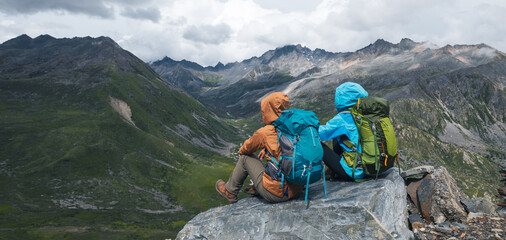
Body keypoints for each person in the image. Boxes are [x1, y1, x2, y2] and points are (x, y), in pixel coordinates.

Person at [216, 92, 304, 203]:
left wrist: (263, 144)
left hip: (278, 194)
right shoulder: (296, 126)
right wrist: (267, 148)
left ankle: (230, 191)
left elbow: (245, 149)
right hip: (298, 188)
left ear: (268, 110)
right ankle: (259, 186)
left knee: (245, 158)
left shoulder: (266, 131)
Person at [318, 82, 369, 181]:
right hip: (374, 168)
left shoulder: (343, 118)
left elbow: (320, 134)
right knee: (338, 136)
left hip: (356, 172)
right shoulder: (368, 114)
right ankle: (333, 172)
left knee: (316, 143)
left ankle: (332, 172)